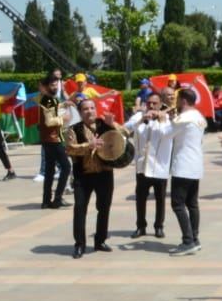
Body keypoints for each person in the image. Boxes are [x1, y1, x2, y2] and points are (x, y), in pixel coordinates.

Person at [64, 99, 116, 258]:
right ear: (80, 113)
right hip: (83, 175)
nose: (90, 111)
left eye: (92, 108)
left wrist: (112, 125)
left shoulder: (105, 124)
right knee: (80, 208)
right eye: (85, 109)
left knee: (104, 207)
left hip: (104, 173)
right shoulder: (73, 129)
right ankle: (79, 244)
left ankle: (100, 240)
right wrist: (89, 145)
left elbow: (123, 139)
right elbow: (70, 149)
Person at [163, 87, 206, 256]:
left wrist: (164, 119)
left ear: (183, 101)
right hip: (195, 164)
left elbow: (166, 134)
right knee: (192, 204)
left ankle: (188, 241)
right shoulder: (198, 116)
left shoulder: (184, 118)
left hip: (183, 165)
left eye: (177, 99)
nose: (175, 102)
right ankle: (194, 238)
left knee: (178, 204)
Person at [125, 91, 172, 239]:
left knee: (160, 198)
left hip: (159, 167)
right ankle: (140, 226)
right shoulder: (138, 117)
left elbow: (170, 134)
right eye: (149, 103)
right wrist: (141, 120)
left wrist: (162, 119)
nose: (151, 106)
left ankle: (159, 226)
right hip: (142, 166)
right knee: (140, 198)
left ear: (160, 104)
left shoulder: (167, 118)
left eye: (155, 103)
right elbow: (125, 128)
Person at [38, 74, 71, 209]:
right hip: (53, 139)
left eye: (56, 84)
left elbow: (52, 110)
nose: (55, 87)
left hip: (47, 139)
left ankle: (46, 200)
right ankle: (58, 197)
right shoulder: (48, 100)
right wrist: (64, 118)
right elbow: (49, 121)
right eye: (52, 85)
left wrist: (64, 104)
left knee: (50, 170)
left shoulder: (48, 99)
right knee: (66, 167)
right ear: (46, 87)